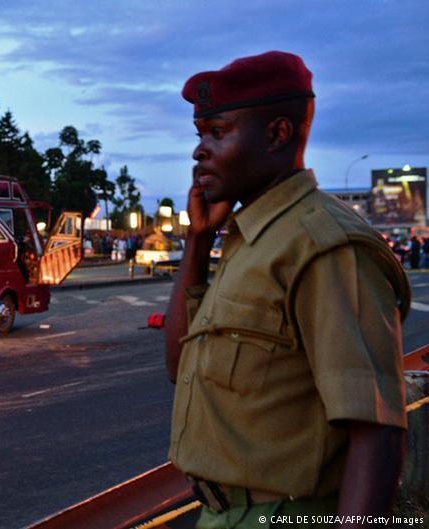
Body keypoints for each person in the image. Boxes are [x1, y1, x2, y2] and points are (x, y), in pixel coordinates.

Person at [163, 51, 410, 528]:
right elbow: (179, 367)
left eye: (218, 132)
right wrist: (197, 241)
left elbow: (375, 429)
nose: (199, 151)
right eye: (200, 135)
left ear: (277, 134)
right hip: (222, 514)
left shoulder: (324, 246)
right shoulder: (251, 239)